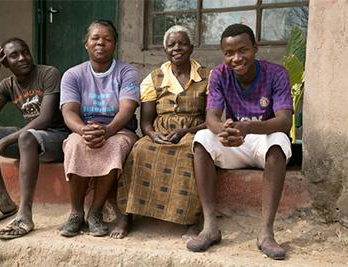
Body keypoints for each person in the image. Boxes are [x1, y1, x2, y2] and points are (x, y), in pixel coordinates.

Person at [187, 24, 293, 260]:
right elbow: (211, 118)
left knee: (280, 141)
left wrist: (248, 128)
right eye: (229, 53)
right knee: (202, 137)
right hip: (236, 140)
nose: (236, 58)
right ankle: (210, 226)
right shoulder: (219, 75)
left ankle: (266, 232)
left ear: (255, 48)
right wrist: (223, 130)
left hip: (263, 140)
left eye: (242, 50)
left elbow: (284, 121)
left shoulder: (276, 74)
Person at [112, 25, 210, 239]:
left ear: (191, 47)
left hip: (195, 131)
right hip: (160, 132)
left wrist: (186, 131)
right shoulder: (153, 78)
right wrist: (152, 135)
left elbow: (212, 119)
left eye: (182, 43)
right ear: (165, 50)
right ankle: (126, 215)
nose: (177, 48)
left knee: (189, 154)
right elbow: (146, 122)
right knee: (138, 152)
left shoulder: (207, 77)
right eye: (171, 44)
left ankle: (190, 220)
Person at [0, 37, 68, 239]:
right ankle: (3, 201)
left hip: (58, 139)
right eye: (14, 55)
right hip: (30, 140)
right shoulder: (7, 85)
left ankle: (24, 215)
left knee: (26, 136)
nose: (22, 58)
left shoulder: (48, 73)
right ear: (5, 63)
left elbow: (45, 118)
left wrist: (4, 142)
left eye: (25, 52)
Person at [59, 20, 140, 237]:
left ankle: (95, 212)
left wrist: (109, 131)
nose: (100, 43)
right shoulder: (73, 75)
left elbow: (127, 109)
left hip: (119, 129)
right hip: (83, 128)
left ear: (115, 45)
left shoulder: (127, 72)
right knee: (75, 145)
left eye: (107, 39)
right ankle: (76, 212)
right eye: (95, 38)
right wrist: (83, 130)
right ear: (86, 43)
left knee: (114, 147)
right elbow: (69, 112)